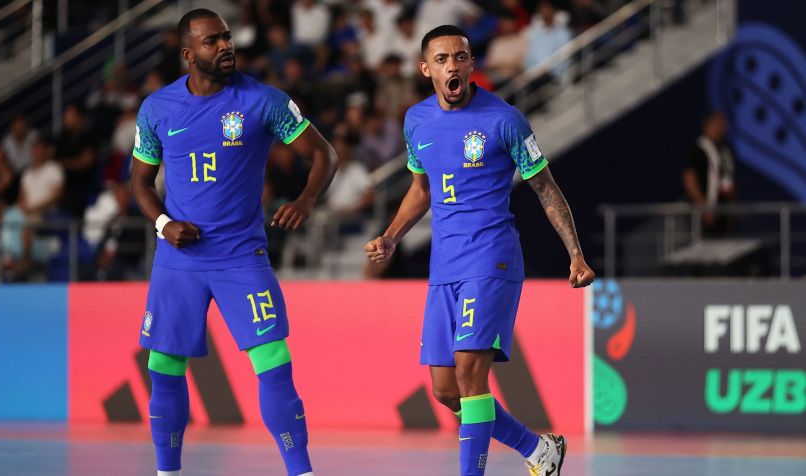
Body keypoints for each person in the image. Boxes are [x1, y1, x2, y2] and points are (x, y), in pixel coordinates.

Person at [364, 25, 594, 476]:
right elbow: (421, 190)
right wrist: (392, 235)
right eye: (442, 59)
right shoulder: (416, 120)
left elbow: (545, 188)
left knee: (470, 376)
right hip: (444, 266)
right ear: (426, 68)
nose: (452, 66)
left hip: (491, 257)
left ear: (471, 64)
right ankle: (538, 449)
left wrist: (576, 253)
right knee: (446, 390)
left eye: (460, 57)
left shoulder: (504, 120)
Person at [130, 9, 337, 476]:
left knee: (275, 363)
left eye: (227, 37)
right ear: (188, 54)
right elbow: (140, 183)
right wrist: (163, 223)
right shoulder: (157, 109)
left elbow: (323, 154)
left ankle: (301, 471)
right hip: (178, 261)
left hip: (241, 257)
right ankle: (167, 472)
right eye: (212, 41)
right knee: (164, 367)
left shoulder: (263, 101)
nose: (225, 45)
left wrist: (305, 201)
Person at [683, 111, 736, 234]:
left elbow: (729, 183)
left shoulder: (725, 151)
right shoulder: (699, 150)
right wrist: (704, 208)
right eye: (719, 123)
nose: (723, 127)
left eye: (724, 124)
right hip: (704, 218)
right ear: (708, 125)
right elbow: (689, 179)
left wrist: (731, 211)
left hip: (723, 217)